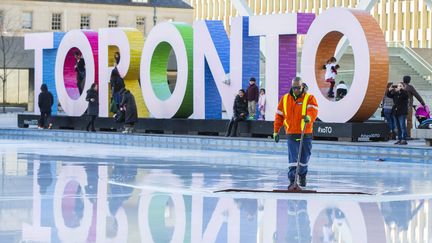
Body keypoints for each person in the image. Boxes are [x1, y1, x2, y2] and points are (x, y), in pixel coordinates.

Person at [273, 77, 318, 189]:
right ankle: (292, 180)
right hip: (291, 133)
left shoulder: (309, 98)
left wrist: (309, 116)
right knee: (293, 159)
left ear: (302, 86)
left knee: (304, 158)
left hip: (305, 133)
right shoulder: (284, 99)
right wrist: (276, 131)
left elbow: (313, 110)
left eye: (298, 88)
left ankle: (302, 175)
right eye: (294, 88)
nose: (296, 90)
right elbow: (279, 116)